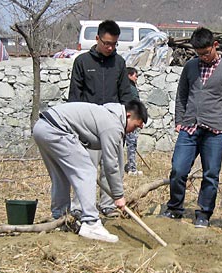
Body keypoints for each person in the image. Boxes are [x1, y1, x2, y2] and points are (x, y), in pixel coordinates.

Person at [158, 27, 222, 228]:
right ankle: (175, 208)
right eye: (199, 54)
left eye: (206, 52)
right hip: (189, 128)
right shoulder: (190, 67)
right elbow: (182, 95)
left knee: (211, 174)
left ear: (215, 46)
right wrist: (179, 121)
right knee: (178, 169)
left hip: (215, 131)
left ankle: (204, 213)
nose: (203, 57)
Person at [33, 100, 148, 242]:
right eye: (135, 126)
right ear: (128, 115)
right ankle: (91, 223)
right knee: (87, 170)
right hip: (57, 129)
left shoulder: (106, 114)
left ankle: (60, 217)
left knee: (60, 176)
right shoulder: (113, 125)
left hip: (42, 128)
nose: (133, 131)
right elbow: (111, 164)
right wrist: (118, 196)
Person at [68, 20, 134, 219]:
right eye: (106, 43)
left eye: (114, 44)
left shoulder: (119, 63)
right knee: (85, 169)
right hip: (88, 128)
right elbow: (74, 96)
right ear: (97, 38)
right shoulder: (82, 62)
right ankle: (80, 207)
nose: (110, 47)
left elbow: (126, 95)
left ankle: (108, 205)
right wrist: (75, 126)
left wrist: (126, 122)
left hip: (113, 126)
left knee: (111, 167)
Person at [124, 67, 143, 176]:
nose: (136, 78)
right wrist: (139, 120)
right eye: (136, 75)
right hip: (131, 120)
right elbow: (136, 105)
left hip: (124, 118)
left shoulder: (124, 87)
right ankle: (132, 168)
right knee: (131, 144)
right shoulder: (130, 88)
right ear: (129, 75)